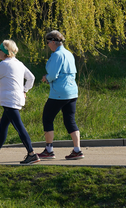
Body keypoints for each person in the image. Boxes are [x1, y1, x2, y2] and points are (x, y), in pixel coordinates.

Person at [0, 40, 40, 165]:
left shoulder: (3, 64)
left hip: (9, 100)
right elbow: (31, 78)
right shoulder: (18, 63)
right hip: (15, 99)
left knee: (19, 127)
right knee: (3, 127)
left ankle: (32, 154)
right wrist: (25, 90)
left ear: (5, 52)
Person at [39, 30, 84, 160]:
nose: (47, 45)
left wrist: (46, 78)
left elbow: (53, 75)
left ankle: (49, 150)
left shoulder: (57, 55)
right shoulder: (69, 54)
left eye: (48, 42)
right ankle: (77, 150)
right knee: (70, 120)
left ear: (53, 42)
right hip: (72, 92)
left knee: (47, 118)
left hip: (59, 93)